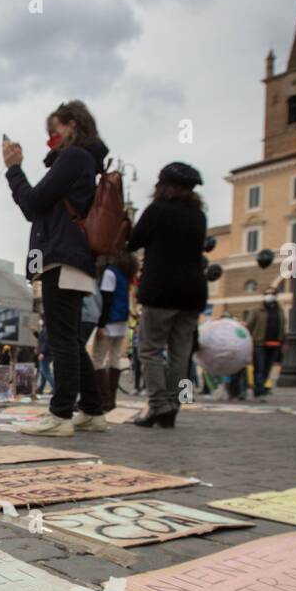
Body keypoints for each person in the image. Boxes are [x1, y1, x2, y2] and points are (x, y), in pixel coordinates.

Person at [3, 101, 108, 435]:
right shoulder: (85, 162)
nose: (50, 139)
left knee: (63, 339)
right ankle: (92, 410)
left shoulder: (75, 158)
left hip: (62, 257)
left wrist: (14, 168)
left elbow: (33, 204)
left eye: (54, 131)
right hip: (74, 259)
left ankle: (60, 415)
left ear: (73, 125)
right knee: (72, 340)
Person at [127, 163, 208, 428]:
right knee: (180, 353)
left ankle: (159, 404)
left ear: (164, 186)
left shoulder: (158, 211)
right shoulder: (199, 216)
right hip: (192, 293)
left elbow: (133, 242)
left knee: (149, 350)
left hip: (161, 291)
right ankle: (172, 405)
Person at [88, 251, 135, 413]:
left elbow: (106, 300)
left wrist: (101, 324)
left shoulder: (109, 273)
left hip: (109, 322)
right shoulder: (125, 273)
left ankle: (104, 399)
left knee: (97, 360)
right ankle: (111, 399)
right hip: (122, 322)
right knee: (114, 360)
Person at [245, 289, 284, 399]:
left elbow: (282, 326)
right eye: (267, 293)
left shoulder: (280, 310)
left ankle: (260, 388)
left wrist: (282, 341)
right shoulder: (257, 310)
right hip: (259, 343)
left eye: (273, 293)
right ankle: (259, 391)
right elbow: (249, 326)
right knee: (259, 368)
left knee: (267, 368)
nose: (270, 295)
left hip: (275, 344)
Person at [34, 319, 54, 395]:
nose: (39, 321)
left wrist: (42, 352)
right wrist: (35, 333)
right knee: (43, 372)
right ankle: (40, 389)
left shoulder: (46, 330)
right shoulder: (45, 330)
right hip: (46, 353)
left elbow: (46, 342)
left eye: (41, 320)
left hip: (46, 354)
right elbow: (41, 340)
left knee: (46, 371)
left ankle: (55, 388)